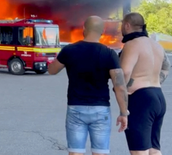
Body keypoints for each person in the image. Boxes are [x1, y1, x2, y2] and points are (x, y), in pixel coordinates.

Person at [48, 16, 129, 155]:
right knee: (100, 152)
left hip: (76, 108)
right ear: (102, 31)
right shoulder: (109, 53)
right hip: (101, 109)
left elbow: (52, 70)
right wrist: (123, 113)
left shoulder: (69, 50)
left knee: (75, 152)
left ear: (84, 29)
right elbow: (120, 86)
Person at [119, 12, 169, 155]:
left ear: (127, 25)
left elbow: (125, 72)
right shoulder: (156, 45)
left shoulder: (132, 45)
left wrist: (124, 90)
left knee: (139, 151)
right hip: (158, 96)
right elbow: (166, 67)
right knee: (154, 149)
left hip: (140, 99)